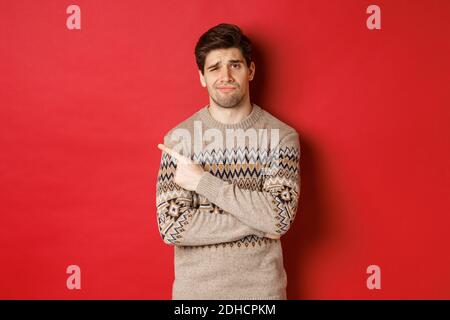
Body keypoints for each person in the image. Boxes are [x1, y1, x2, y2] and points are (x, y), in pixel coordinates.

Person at [155, 23, 301, 299]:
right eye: (214, 68)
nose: (225, 75)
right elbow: (173, 227)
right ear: (201, 77)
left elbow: (278, 219)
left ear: (251, 71)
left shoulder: (281, 137)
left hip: (262, 296)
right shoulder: (180, 140)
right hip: (195, 297)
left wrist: (202, 182)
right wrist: (260, 221)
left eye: (235, 65)